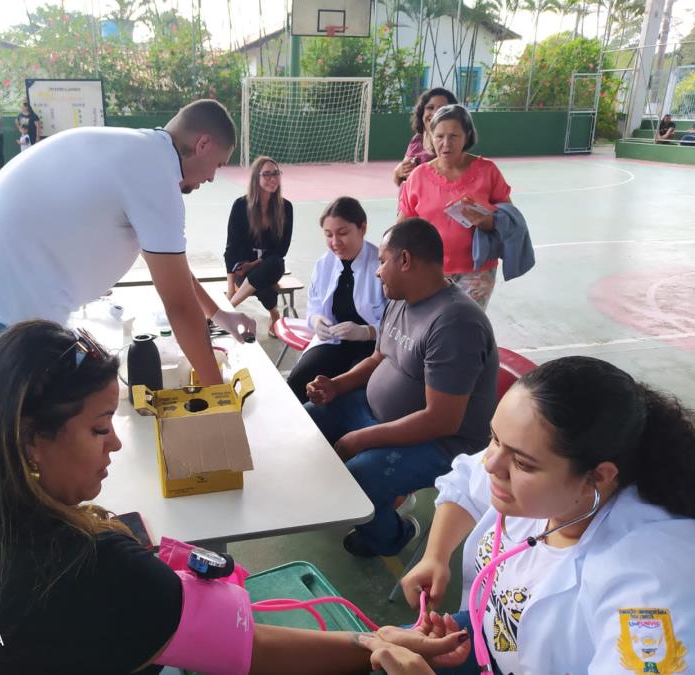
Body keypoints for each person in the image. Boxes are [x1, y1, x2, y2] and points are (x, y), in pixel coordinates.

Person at [0, 321, 468, 674]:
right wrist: (375, 645)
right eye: (100, 429)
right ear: (30, 438)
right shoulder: (95, 567)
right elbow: (242, 648)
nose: (113, 448)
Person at [358, 356, 695, 675]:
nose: (491, 464)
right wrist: (437, 555)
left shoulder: (650, 582)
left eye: (522, 463)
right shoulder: (538, 473)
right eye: (494, 438)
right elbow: (465, 481)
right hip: (481, 636)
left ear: (598, 476)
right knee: (362, 654)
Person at [0, 99, 256, 386]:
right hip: (3, 299)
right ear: (203, 144)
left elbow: (175, 271)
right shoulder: (156, 176)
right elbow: (179, 305)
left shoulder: (141, 152)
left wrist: (220, 316)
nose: (213, 178)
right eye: (218, 164)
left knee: (80, 394)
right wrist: (218, 394)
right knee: (41, 420)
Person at [305, 218, 498, 558]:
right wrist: (336, 386)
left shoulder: (455, 323)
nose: (377, 272)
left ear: (405, 261)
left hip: (443, 445)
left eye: (382, 261)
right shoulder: (400, 299)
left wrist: (361, 439)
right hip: (376, 414)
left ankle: (393, 536)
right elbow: (380, 357)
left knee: (359, 477)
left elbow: (442, 421)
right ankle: (376, 498)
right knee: (311, 420)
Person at [398, 104, 512, 310]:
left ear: (467, 136)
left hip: (477, 272)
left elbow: (509, 219)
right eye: (439, 136)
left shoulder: (488, 171)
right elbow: (404, 224)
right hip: (429, 269)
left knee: (465, 326)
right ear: (431, 137)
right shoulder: (418, 176)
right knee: (432, 326)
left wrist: (487, 220)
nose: (445, 143)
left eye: (454, 136)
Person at [287, 197, 386, 403]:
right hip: (334, 341)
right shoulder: (324, 264)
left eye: (343, 233)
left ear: (363, 228)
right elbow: (314, 305)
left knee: (355, 391)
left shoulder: (381, 265)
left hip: (373, 347)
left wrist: (367, 332)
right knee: (298, 380)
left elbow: (399, 322)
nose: (335, 242)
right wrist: (316, 321)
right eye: (328, 235)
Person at [224, 156, 293, 336]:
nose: (273, 179)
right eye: (267, 174)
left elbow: (282, 249)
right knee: (263, 285)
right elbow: (231, 247)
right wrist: (231, 286)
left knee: (275, 263)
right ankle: (274, 314)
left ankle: (227, 311)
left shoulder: (286, 207)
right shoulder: (240, 206)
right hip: (243, 271)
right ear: (256, 178)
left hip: (270, 266)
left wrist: (253, 264)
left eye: (276, 174)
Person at [392, 88, 458, 187]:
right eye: (430, 107)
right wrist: (398, 172)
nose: (435, 112)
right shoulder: (417, 140)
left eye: (441, 109)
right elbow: (401, 181)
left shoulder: (453, 144)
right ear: (422, 113)